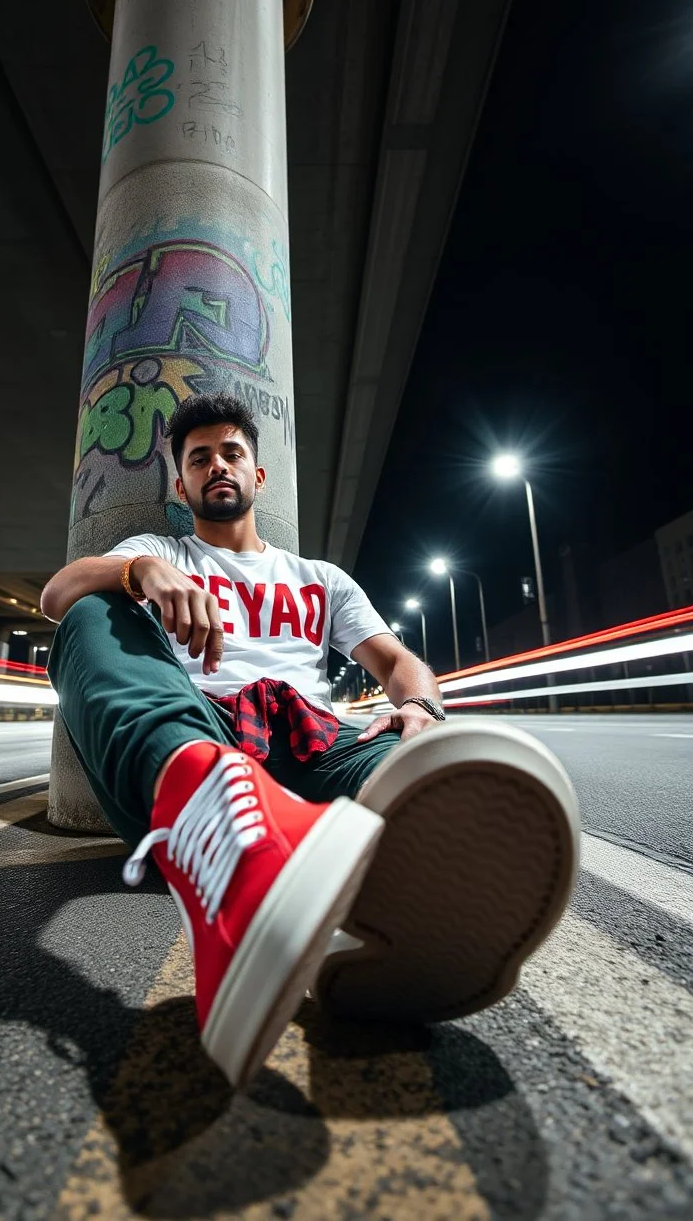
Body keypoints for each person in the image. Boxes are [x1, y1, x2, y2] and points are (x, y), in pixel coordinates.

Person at [42, 393, 580, 1087]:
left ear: (258, 475)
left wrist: (419, 707)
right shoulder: (161, 552)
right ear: (180, 487)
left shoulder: (320, 579)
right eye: (199, 459)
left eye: (231, 453)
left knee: (434, 778)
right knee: (89, 616)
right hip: (199, 732)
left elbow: (398, 662)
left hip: (314, 742)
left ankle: (381, 925)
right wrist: (137, 572)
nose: (217, 466)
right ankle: (223, 825)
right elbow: (57, 595)